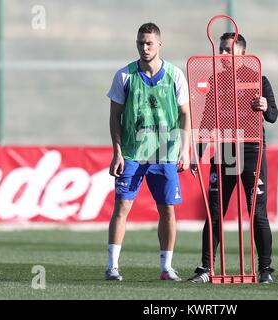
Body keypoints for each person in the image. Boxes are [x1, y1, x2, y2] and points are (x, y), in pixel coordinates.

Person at [188, 33, 278, 284]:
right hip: (226, 151)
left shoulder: (258, 79)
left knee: (257, 213)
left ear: (242, 52)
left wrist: (264, 106)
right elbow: (207, 119)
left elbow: (273, 116)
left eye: (228, 50)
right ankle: (206, 268)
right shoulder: (216, 80)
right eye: (220, 50)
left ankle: (265, 270)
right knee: (214, 211)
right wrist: (199, 151)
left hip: (252, 151)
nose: (222, 55)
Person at [105, 22, 191, 281]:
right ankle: (112, 266)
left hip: (165, 153)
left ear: (159, 44)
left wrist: (185, 150)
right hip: (133, 153)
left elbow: (186, 114)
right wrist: (117, 152)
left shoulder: (175, 75)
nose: (145, 47)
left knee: (167, 210)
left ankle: (166, 267)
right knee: (122, 207)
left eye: (149, 43)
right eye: (141, 43)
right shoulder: (125, 76)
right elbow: (114, 117)